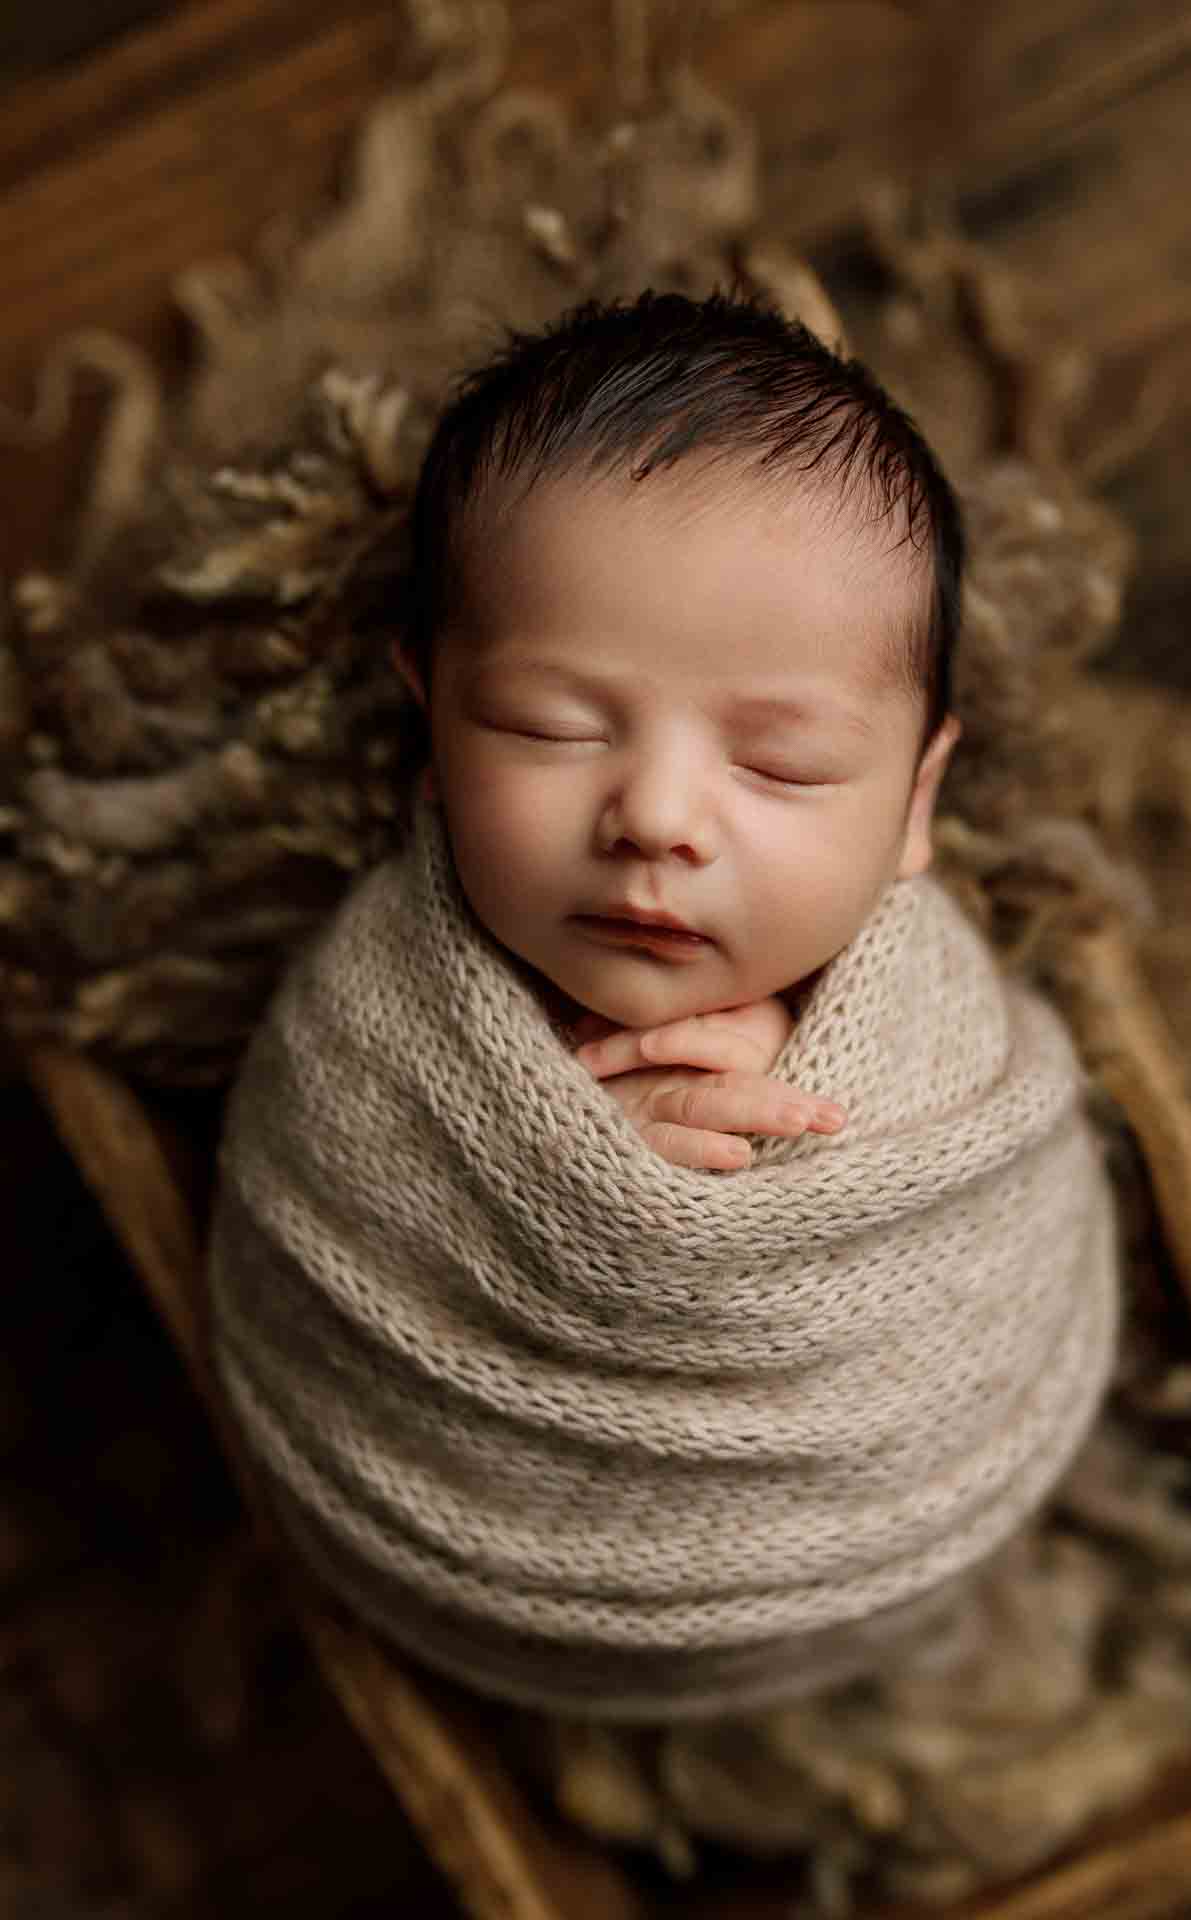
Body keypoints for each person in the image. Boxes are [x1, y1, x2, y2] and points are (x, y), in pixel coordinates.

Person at [209, 293, 1118, 1721]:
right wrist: (564, 1182)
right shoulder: (364, 1027)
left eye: (783, 764)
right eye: (549, 727)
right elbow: (317, 1206)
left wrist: (812, 1124)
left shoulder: (946, 1030)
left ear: (919, 800)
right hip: (455, 1561)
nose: (657, 816)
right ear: (431, 725)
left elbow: (994, 1264)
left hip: (883, 1547)